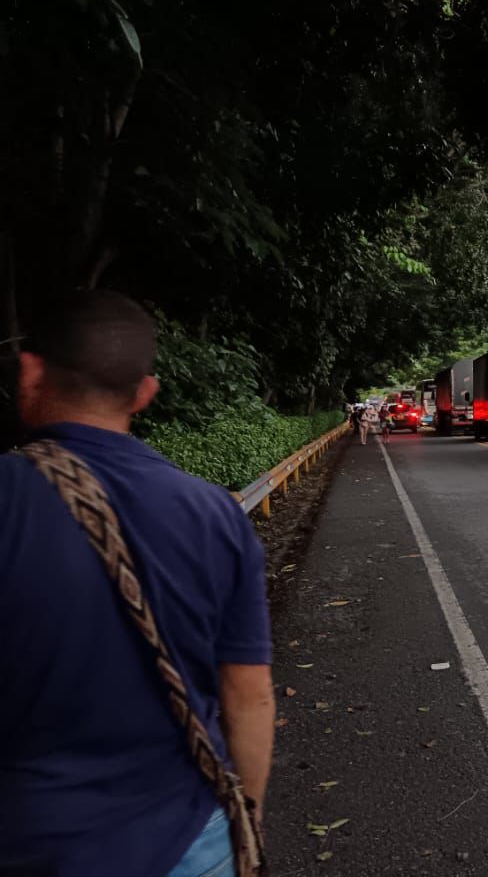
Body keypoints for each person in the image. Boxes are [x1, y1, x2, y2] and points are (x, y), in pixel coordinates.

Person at [0, 290, 275, 877]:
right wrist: (247, 824)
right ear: (145, 394)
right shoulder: (214, 514)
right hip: (188, 845)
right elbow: (247, 696)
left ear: (29, 369)